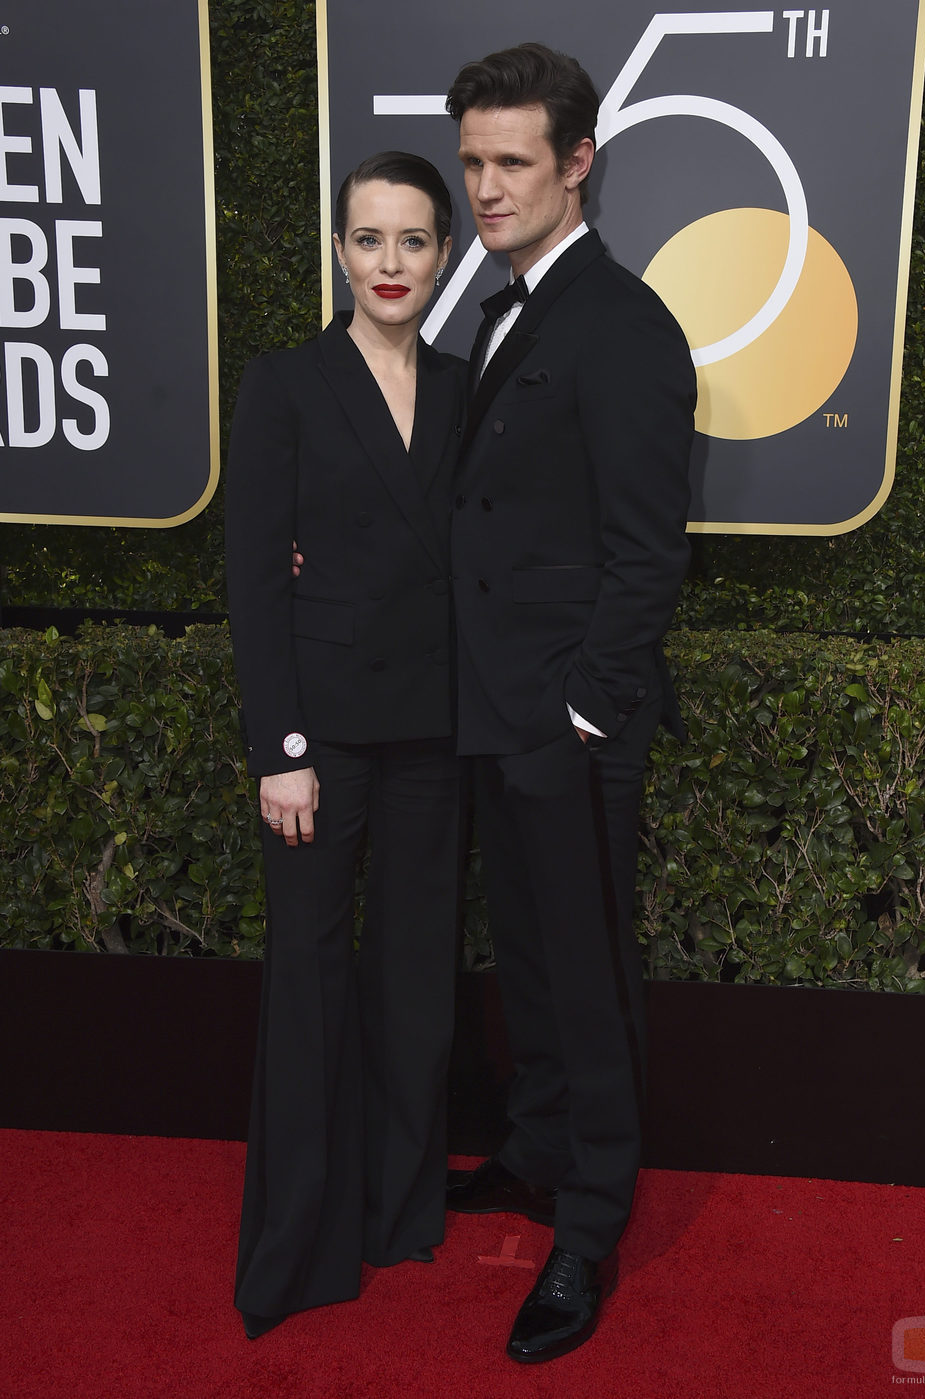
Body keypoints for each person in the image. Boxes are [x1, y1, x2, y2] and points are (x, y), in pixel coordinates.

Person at [442, 44, 696, 1363]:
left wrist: (586, 715)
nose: (486, 187)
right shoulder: (503, 307)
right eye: (474, 161)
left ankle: (589, 1224)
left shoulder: (624, 323)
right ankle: (538, 1148)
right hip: (495, 708)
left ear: (578, 162)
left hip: (565, 724)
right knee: (529, 956)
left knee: (586, 977)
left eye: (513, 162)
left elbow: (650, 547)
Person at [224, 151, 465, 1340]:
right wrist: (279, 745)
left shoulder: (466, 390)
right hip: (316, 746)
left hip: (434, 738)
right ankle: (303, 1241)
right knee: (310, 982)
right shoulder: (284, 385)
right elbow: (256, 582)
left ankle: (396, 1210)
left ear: (443, 253)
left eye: (412, 241)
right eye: (368, 239)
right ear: (337, 248)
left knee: (417, 984)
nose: (389, 263)